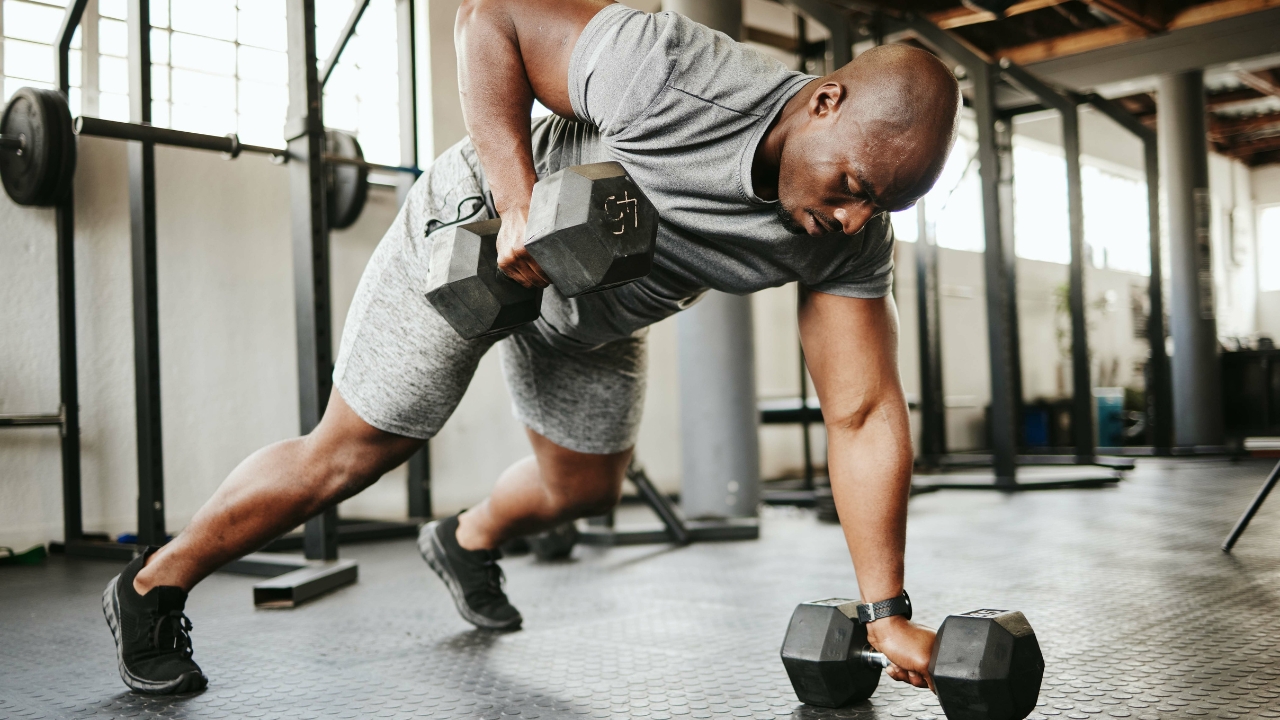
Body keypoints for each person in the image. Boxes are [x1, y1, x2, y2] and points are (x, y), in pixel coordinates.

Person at [101, 0, 960, 696]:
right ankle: (153, 588)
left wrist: (885, 610)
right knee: (356, 452)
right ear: (823, 101)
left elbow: (860, 412)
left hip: (598, 304)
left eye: (878, 206)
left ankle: (466, 540)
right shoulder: (671, 72)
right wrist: (518, 204)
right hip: (480, 229)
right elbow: (491, 20)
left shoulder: (846, 241)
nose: (851, 218)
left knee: (584, 487)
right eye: (851, 185)